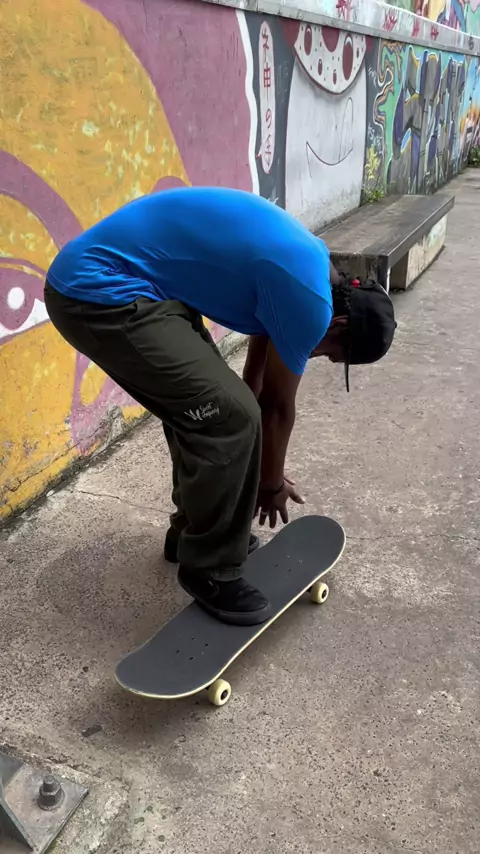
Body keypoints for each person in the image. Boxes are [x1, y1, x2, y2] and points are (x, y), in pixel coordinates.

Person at [44, 187, 396, 627]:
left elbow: (254, 382)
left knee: (216, 410)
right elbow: (276, 407)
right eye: (332, 354)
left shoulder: (308, 270)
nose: (319, 357)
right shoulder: (311, 303)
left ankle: (192, 533)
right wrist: (269, 485)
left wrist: (253, 465)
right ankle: (209, 568)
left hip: (139, 286)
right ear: (339, 324)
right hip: (100, 290)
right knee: (229, 418)